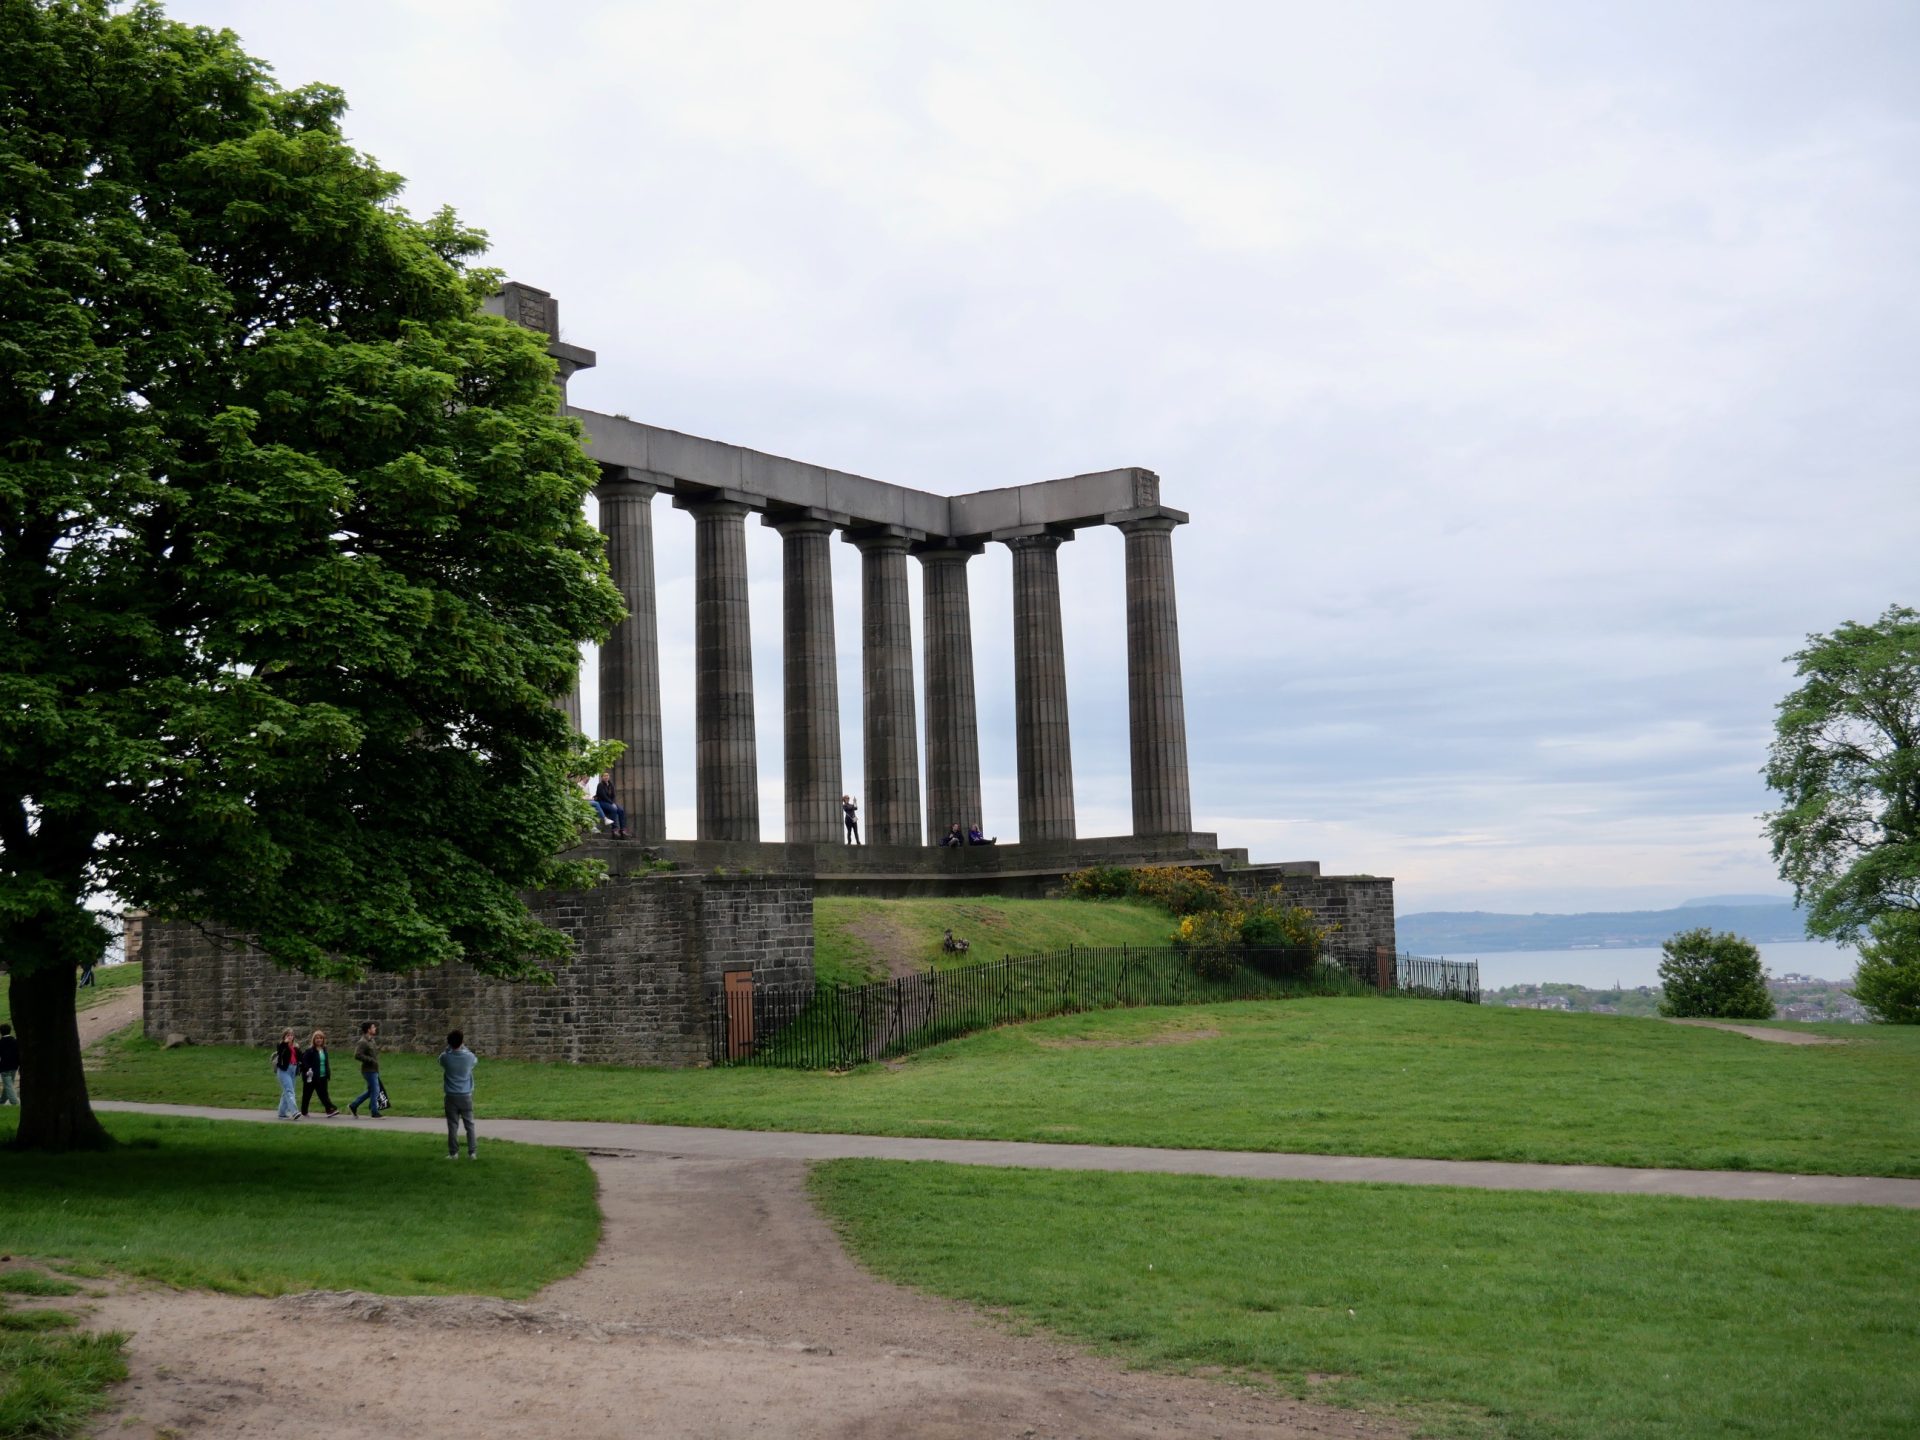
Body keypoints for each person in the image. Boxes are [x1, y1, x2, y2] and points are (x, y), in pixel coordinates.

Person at [438, 1029, 478, 1160]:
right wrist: (463, 1046)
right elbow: (474, 1060)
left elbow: (440, 1059)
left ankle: (453, 1152)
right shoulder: (469, 1057)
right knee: (469, 1125)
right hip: (465, 1094)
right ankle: (472, 1152)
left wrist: (449, 1048)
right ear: (462, 1041)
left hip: (450, 1096)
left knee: (452, 1125)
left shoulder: (446, 1057)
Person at [300, 1028, 339, 1117]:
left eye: (320, 1038)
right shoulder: (310, 1051)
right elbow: (304, 1062)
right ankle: (304, 1111)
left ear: (323, 1039)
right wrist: (309, 1070)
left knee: (324, 1094)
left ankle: (329, 1110)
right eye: (317, 1038)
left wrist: (328, 1073)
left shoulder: (324, 1050)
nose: (319, 1040)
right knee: (307, 1094)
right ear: (314, 1040)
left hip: (322, 1076)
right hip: (311, 1077)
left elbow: (325, 1063)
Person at [349, 1020, 384, 1117]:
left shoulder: (371, 1040)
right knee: (376, 1090)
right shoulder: (362, 1042)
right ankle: (374, 1112)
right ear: (368, 1030)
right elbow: (357, 1055)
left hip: (374, 1069)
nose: (375, 1028)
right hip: (368, 1070)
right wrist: (370, 1060)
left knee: (371, 1091)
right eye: (373, 1027)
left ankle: (354, 1105)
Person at [273, 1028, 302, 1119]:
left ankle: (282, 1113)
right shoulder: (281, 1045)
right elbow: (280, 1052)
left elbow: (301, 1058)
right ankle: (294, 1111)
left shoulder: (296, 1047)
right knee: (290, 1091)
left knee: (286, 1092)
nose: (290, 1037)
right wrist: (285, 1043)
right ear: (284, 1037)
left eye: (291, 1035)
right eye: (288, 1035)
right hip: (283, 1070)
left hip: (293, 1070)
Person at [594, 771, 628, 839]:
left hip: (609, 802)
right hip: (602, 802)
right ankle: (615, 829)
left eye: (607, 776)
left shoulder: (611, 785)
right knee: (613, 809)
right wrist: (612, 803)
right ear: (602, 777)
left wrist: (612, 802)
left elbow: (613, 795)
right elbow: (603, 796)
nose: (606, 777)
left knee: (621, 810)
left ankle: (623, 830)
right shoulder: (600, 785)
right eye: (604, 776)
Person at [0, 1023, 19, 1107]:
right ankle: (2, 1101)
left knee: (8, 1085)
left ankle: (14, 1102)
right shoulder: (15, 1041)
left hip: (4, 1067)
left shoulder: (1, 1042)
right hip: (14, 1066)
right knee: (8, 1083)